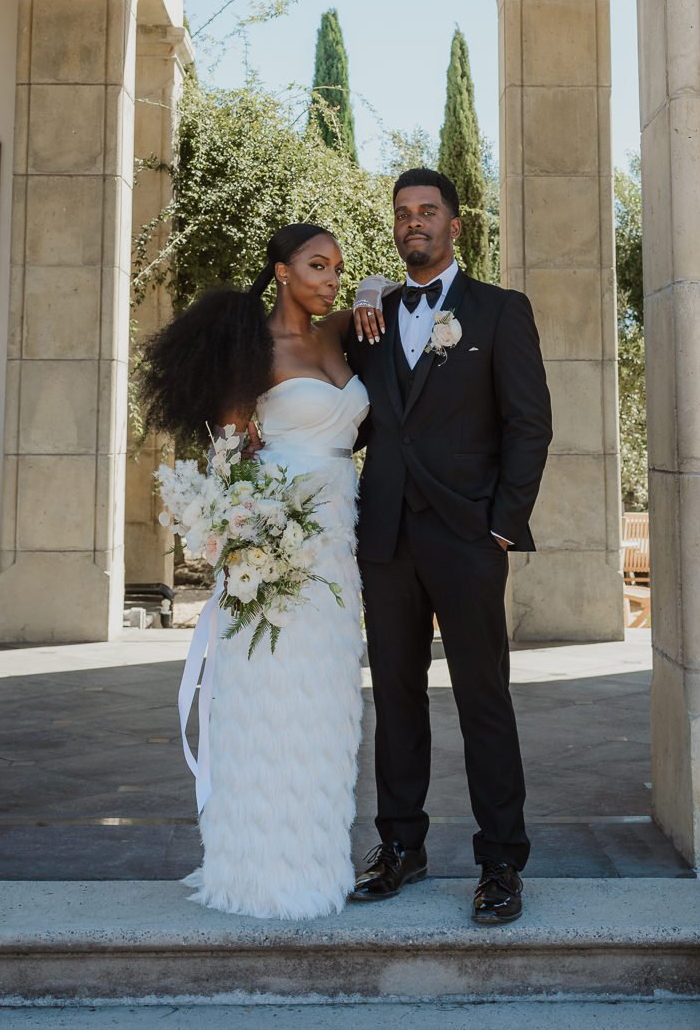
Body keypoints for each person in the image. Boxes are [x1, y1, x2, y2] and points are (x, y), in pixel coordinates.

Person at [139, 223, 383, 920]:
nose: (330, 278)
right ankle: (261, 872)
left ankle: (317, 861)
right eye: (316, 265)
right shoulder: (253, 353)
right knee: (270, 703)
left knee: (328, 704)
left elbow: (395, 295)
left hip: (336, 547)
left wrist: (369, 286)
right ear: (280, 271)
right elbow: (227, 464)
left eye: (338, 267)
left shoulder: (339, 331)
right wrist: (246, 541)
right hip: (276, 550)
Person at [346, 168, 552, 926]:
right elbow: (355, 416)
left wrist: (504, 521)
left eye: (428, 212)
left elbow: (529, 422)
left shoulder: (498, 312)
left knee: (483, 700)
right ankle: (401, 845)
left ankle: (501, 860)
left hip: (468, 537)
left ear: (455, 226)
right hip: (387, 538)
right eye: (402, 214)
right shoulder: (373, 316)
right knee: (395, 699)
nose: (413, 225)